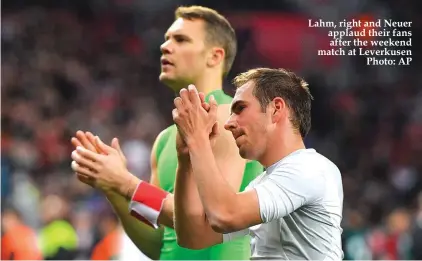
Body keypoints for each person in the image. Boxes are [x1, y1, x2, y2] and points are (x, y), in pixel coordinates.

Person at [70, 5, 263, 260]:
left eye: (180, 39)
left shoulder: (230, 119)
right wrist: (112, 189)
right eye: (166, 39)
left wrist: (125, 182)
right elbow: (159, 242)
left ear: (215, 56)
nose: (165, 46)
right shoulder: (163, 141)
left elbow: (209, 222)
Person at [171, 68, 344, 260]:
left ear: (276, 109)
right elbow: (194, 236)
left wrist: (198, 140)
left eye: (240, 108)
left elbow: (224, 214)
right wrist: (186, 157)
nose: (228, 123)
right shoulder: (264, 183)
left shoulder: (310, 168)